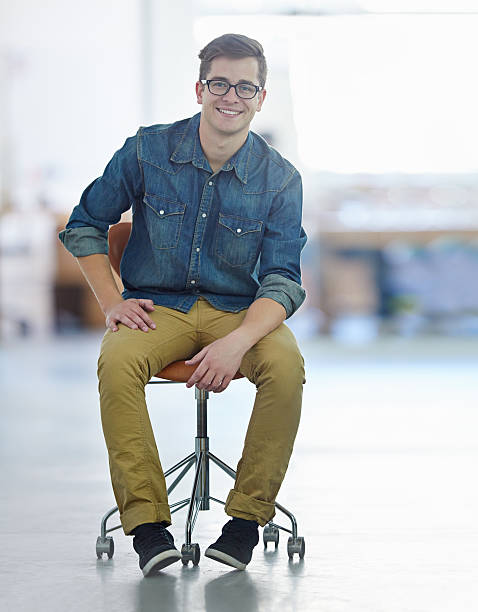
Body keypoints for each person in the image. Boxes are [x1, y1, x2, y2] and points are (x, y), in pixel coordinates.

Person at [58, 33, 307, 577]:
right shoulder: (148, 150)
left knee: (287, 366)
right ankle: (149, 527)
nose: (231, 96)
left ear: (261, 97)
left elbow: (284, 280)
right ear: (200, 88)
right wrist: (110, 302)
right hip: (158, 307)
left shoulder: (280, 178)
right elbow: (84, 224)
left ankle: (244, 522)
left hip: (240, 313)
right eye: (220, 83)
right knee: (118, 360)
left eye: (246, 87)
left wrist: (237, 342)